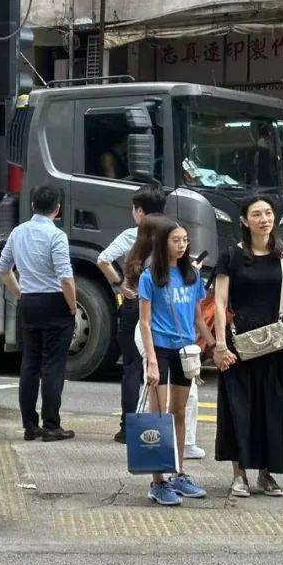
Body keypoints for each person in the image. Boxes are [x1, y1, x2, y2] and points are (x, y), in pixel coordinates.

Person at [213, 194, 283, 497]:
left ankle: (267, 474)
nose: (264, 219)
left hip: (274, 342)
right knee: (239, 407)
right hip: (239, 342)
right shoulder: (230, 255)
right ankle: (239, 474)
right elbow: (220, 301)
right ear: (244, 221)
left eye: (268, 213)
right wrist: (219, 344)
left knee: (273, 408)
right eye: (256, 214)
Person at [137, 216, 213, 506]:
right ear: (162, 242)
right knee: (159, 417)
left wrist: (214, 345)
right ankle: (157, 481)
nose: (182, 246)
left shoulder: (191, 276)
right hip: (160, 348)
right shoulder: (150, 277)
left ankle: (179, 473)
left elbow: (197, 318)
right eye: (175, 240)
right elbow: (144, 323)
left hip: (185, 351)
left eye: (185, 240)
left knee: (179, 412)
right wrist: (152, 361)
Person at [0, 185, 77, 442]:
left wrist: (20, 293)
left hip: (29, 303)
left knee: (29, 365)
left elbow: (3, 269)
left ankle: (30, 425)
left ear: (33, 206)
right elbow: (65, 278)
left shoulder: (17, 233)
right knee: (53, 366)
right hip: (55, 303)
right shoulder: (57, 236)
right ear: (57, 208)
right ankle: (52, 425)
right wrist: (73, 306)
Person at [97, 184, 166, 444]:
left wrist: (120, 285)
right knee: (160, 364)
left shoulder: (131, 234)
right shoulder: (171, 233)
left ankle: (128, 428)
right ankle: (159, 426)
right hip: (162, 307)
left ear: (138, 210)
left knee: (132, 367)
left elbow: (103, 259)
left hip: (134, 303)